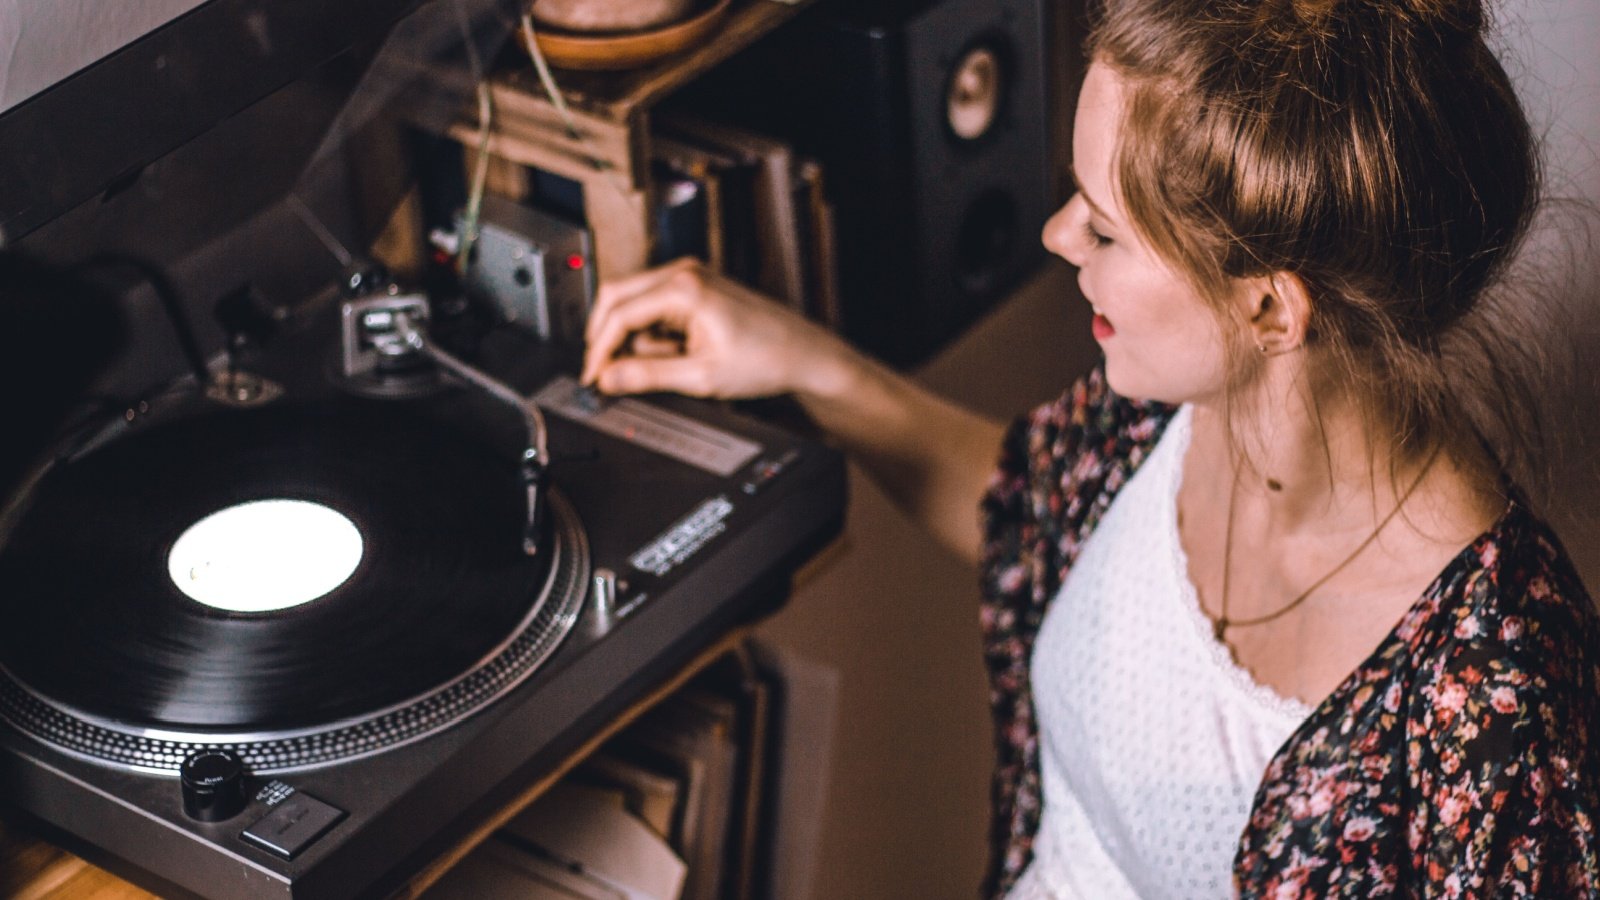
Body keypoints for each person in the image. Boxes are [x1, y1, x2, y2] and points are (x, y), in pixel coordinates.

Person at [581, 0, 1600, 895]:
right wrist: (805, 363)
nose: (1059, 238)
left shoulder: (1500, 704)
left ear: (1266, 307)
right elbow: (1039, 514)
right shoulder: (1185, 399)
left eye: (1104, 231)